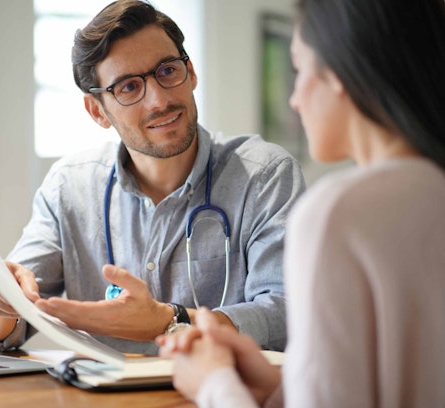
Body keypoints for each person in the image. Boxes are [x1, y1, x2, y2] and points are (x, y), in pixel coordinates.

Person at [0, 0, 305, 355]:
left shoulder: (264, 176)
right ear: (97, 111)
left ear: (191, 72)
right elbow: (2, 326)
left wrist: (169, 321)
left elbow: (287, 313)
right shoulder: (70, 188)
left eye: (168, 71)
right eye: (128, 87)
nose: (159, 100)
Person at [157, 0, 445, 406]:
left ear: (341, 73)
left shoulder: (339, 212)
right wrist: (277, 389)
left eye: (300, 69)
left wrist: (213, 384)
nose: (294, 98)